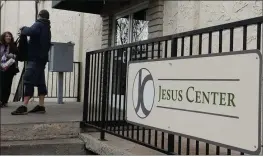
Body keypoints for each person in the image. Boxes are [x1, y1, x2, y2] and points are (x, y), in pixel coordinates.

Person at [11, 10, 51, 115]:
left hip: (34, 58)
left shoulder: (39, 24)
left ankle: (24, 106)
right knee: (40, 82)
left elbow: (30, 31)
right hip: (42, 59)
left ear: (39, 16)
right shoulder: (47, 27)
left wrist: (23, 29)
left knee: (28, 79)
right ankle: (41, 106)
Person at [0, 32, 19, 108]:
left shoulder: (13, 46)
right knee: (1, 84)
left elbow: (18, 55)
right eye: (6, 36)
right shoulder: (1, 45)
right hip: (0, 67)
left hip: (9, 68)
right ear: (3, 37)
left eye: (9, 36)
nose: (8, 37)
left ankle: (4, 101)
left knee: (7, 85)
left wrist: (12, 56)